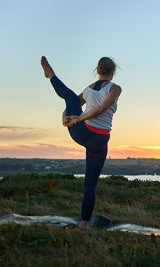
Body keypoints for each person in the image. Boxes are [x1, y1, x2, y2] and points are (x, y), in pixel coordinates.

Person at [40, 56, 122, 228]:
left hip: (82, 133)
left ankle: (51, 76)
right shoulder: (115, 89)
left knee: (69, 96)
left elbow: (73, 103)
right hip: (99, 139)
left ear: (97, 71)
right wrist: (68, 118)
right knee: (90, 185)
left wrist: (73, 118)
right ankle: (84, 225)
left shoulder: (88, 89)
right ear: (112, 72)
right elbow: (101, 109)